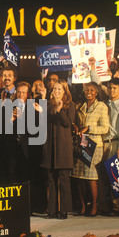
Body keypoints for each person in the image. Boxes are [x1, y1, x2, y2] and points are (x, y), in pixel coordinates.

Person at [72, 82, 109, 217]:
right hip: (82, 142)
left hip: (95, 144)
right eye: (86, 90)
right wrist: (77, 128)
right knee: (78, 175)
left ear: (96, 92)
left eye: (92, 90)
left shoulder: (101, 106)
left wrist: (89, 128)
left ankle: (94, 205)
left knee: (91, 174)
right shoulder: (80, 106)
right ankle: (82, 206)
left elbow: (105, 128)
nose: (88, 92)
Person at [40, 80, 75, 219]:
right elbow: (41, 121)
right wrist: (42, 99)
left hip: (63, 147)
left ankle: (64, 209)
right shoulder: (48, 105)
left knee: (63, 178)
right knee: (50, 178)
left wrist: (60, 110)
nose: (57, 91)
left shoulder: (70, 105)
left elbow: (68, 123)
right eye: (54, 89)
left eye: (60, 89)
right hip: (49, 146)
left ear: (65, 91)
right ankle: (52, 210)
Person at [98, 78, 119, 215]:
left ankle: (117, 208)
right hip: (102, 142)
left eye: (114, 88)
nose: (111, 90)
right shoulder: (104, 104)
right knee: (101, 177)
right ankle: (104, 206)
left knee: (117, 177)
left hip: (115, 142)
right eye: (110, 88)